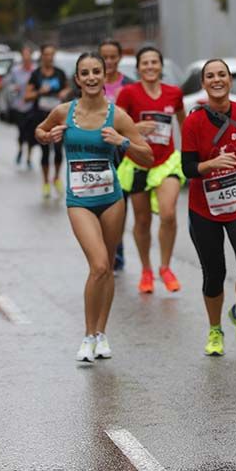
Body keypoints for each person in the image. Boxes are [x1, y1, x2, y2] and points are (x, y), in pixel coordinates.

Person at [35, 52, 152, 363]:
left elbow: (148, 156)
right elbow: (40, 130)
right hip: (80, 201)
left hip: (111, 198)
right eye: (84, 72)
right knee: (99, 264)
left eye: (95, 72)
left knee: (108, 266)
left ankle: (102, 333)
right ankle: (88, 336)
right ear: (77, 79)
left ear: (104, 76)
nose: (90, 77)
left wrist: (121, 142)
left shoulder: (119, 117)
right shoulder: (63, 112)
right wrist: (48, 137)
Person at [181, 59, 236, 357]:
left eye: (222, 75)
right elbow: (188, 168)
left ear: (230, 80)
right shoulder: (193, 121)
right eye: (210, 76)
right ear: (203, 84)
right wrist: (211, 164)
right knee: (214, 272)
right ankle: (215, 330)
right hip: (204, 208)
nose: (216, 80)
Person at [116, 46, 186, 294]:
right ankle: (146, 269)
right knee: (142, 220)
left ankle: (165, 267)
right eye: (144, 63)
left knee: (168, 213)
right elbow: (117, 127)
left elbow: (184, 123)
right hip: (137, 162)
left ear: (160, 66)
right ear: (138, 68)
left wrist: (192, 153)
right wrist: (136, 127)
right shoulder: (128, 93)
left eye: (154, 62)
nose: (149, 67)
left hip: (166, 162)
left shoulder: (174, 93)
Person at [96, 40, 134, 272]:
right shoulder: (90, 82)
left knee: (120, 202)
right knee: (96, 202)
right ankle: (101, 248)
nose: (109, 62)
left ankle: (117, 250)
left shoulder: (129, 85)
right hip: (94, 154)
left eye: (113, 57)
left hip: (121, 154)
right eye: (105, 57)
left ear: (119, 58)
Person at [25, 44, 68, 199]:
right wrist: (39, 92)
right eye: (46, 54)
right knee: (44, 151)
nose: (49, 57)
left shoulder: (60, 73)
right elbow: (27, 96)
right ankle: (45, 182)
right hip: (41, 117)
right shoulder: (36, 74)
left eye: (52, 54)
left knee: (57, 150)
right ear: (42, 56)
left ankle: (56, 177)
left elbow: (68, 89)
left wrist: (63, 92)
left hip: (58, 118)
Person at [7, 46, 36, 169]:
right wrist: (14, 88)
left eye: (28, 55)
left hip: (32, 105)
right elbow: (9, 86)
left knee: (31, 132)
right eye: (24, 55)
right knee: (21, 131)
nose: (26, 58)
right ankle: (20, 150)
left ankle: (29, 157)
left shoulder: (35, 71)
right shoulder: (15, 71)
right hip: (19, 105)